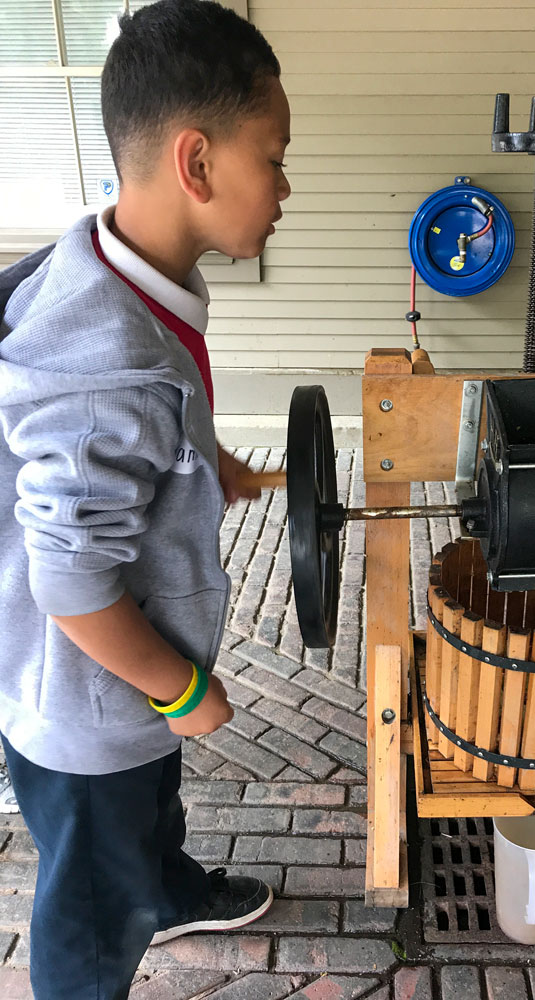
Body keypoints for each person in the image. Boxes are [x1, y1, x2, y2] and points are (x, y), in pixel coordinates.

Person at [0, 1, 291, 996]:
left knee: (151, 800)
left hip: (120, 688)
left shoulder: (123, 270)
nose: (286, 187)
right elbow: (73, 582)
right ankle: (115, 929)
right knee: (88, 905)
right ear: (198, 163)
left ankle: (162, 890)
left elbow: (149, 415)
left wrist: (212, 461)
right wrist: (181, 688)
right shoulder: (105, 370)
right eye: (276, 156)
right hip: (86, 706)